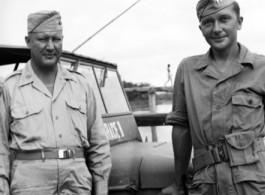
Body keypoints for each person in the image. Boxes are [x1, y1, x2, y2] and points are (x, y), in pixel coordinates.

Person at [0, 11, 111, 195]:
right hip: (30, 187)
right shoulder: (10, 87)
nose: (51, 46)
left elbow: (98, 143)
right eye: (43, 39)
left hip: (77, 186)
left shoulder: (82, 85)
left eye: (56, 39)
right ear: (28, 41)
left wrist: (101, 188)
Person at [160, 0, 265, 195]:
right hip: (206, 184)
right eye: (208, 22)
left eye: (224, 19)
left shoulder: (261, 68)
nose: (217, 29)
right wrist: (177, 183)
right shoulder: (187, 70)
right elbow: (181, 127)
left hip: (253, 183)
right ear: (201, 28)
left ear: (239, 22)